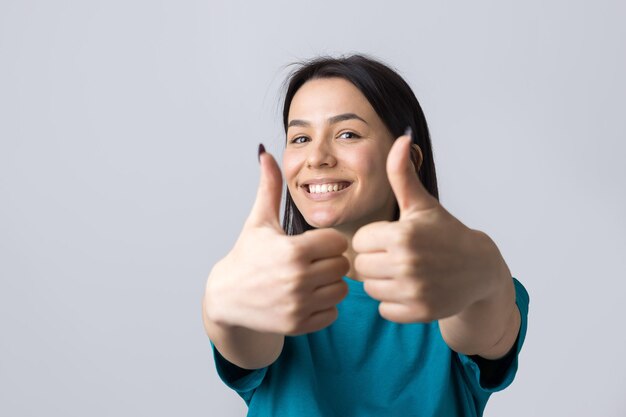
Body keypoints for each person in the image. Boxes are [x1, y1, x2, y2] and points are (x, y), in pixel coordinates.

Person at [202, 54, 529, 417]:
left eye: (347, 134)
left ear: (409, 160)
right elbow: (247, 345)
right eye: (300, 137)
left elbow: (490, 327)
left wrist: (483, 269)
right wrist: (221, 307)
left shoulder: (458, 284)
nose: (316, 157)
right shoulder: (272, 289)